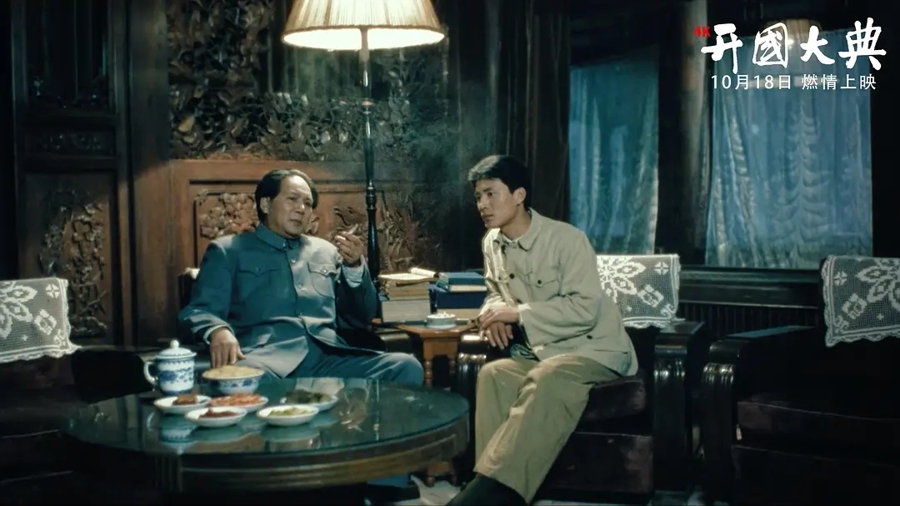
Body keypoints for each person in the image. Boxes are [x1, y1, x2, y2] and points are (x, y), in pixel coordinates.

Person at [448, 155, 638, 506]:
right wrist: (494, 313)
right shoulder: (491, 242)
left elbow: (585, 309)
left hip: (594, 350)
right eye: (478, 197)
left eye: (491, 194)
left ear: (519, 195)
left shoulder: (567, 239)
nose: (482, 205)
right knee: (494, 375)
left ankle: (489, 497)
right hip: (541, 351)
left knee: (547, 376)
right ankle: (485, 486)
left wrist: (517, 313)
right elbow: (494, 290)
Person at [179, 168, 422, 385]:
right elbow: (199, 310)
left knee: (405, 366)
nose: (301, 209)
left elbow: (360, 318)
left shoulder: (326, 251)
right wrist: (218, 331)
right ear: (266, 204)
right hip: (265, 362)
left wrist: (355, 267)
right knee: (243, 380)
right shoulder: (228, 251)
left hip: (329, 359)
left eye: (308, 203)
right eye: (292, 199)